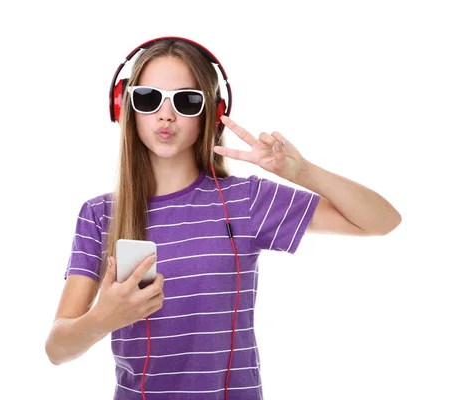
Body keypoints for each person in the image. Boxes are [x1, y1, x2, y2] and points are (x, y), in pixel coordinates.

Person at [44, 37, 401, 400]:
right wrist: (103, 317)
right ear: (125, 107)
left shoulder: (246, 200)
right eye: (149, 98)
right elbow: (57, 350)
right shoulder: (99, 214)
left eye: (186, 101)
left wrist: (302, 171)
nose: (166, 115)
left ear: (212, 114)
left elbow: (381, 221)